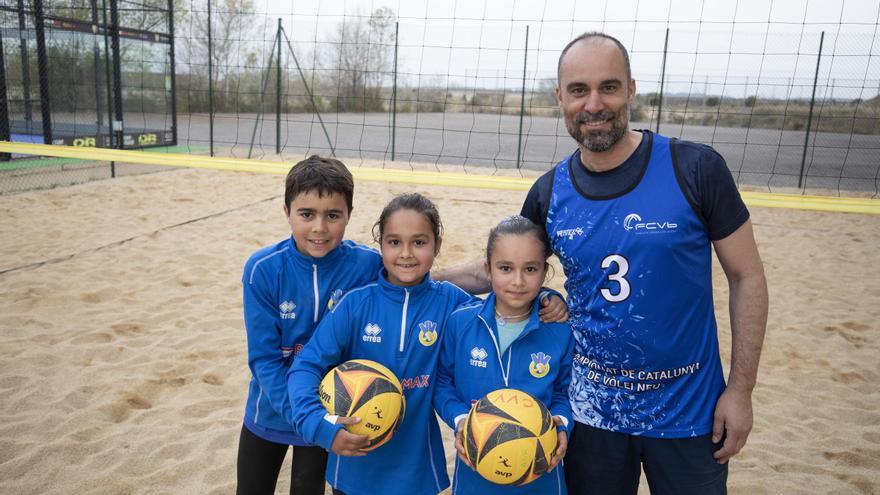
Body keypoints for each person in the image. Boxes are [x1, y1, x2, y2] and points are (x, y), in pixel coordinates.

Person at [435, 32, 768, 495]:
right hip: (592, 417)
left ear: (631, 89)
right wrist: (418, 276)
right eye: (578, 90)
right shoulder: (551, 192)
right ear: (560, 98)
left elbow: (747, 276)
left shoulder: (695, 168)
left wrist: (740, 391)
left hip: (690, 411)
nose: (594, 104)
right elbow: (501, 268)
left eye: (608, 87)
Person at [286, 192, 480, 495]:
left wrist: (546, 300)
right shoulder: (355, 304)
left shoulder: (451, 302)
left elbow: (500, 318)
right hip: (353, 466)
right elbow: (306, 366)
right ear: (380, 245)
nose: (406, 253)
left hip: (417, 469)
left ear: (437, 245)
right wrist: (317, 423)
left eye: (419, 242)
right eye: (394, 242)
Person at [237, 155, 382, 495]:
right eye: (306, 214)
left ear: (349, 214)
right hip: (271, 412)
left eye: (333, 215)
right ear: (286, 211)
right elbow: (263, 360)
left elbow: (415, 288)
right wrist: (307, 420)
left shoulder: (367, 265)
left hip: (332, 413)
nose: (319, 227)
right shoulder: (263, 268)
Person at [434, 215, 574, 495]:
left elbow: (565, 392)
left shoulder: (559, 330)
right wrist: (461, 419)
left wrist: (562, 423)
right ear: (488, 269)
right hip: (476, 470)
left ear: (545, 271)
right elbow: (442, 383)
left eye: (531, 269)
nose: (518, 281)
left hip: (541, 473)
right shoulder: (460, 323)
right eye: (506, 268)